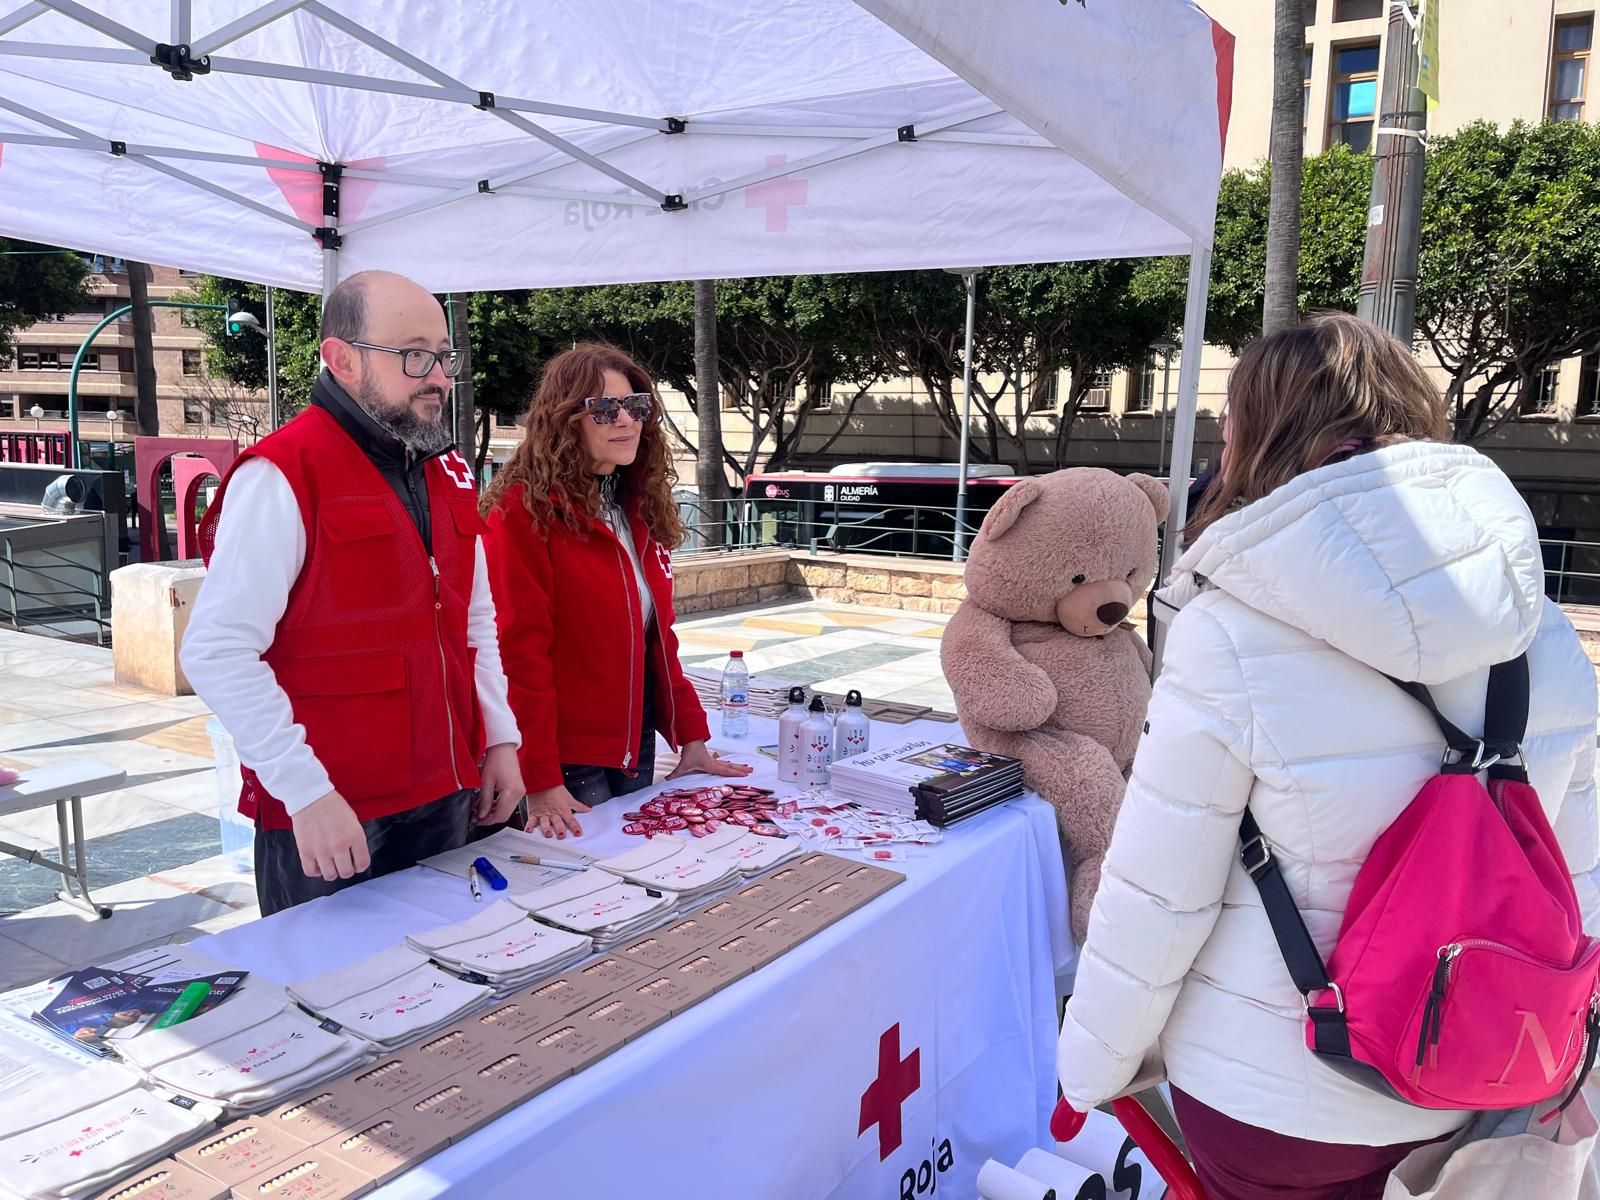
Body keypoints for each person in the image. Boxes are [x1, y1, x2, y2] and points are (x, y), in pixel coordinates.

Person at [1056, 313, 1599, 1200]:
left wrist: (1092, 1067)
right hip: (1478, 1062)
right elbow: (1574, 879)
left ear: (1260, 434)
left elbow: (1159, 892)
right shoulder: (1541, 633)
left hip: (1276, 1093)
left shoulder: (1227, 628)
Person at [182, 270, 525, 915]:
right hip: (332, 816)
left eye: (444, 356)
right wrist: (304, 790)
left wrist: (501, 738)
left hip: (448, 794)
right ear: (340, 359)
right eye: (414, 356)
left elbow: (474, 623)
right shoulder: (283, 474)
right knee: (330, 1002)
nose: (440, 377)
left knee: (453, 990)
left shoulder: (446, 470)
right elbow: (218, 651)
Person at [482, 343, 750, 839]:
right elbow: (517, 653)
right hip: (565, 756)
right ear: (566, 421)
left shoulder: (635, 503)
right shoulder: (522, 512)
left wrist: (691, 737)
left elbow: (657, 638)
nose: (625, 420)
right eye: (604, 409)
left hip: (634, 742)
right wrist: (538, 776)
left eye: (637, 407)